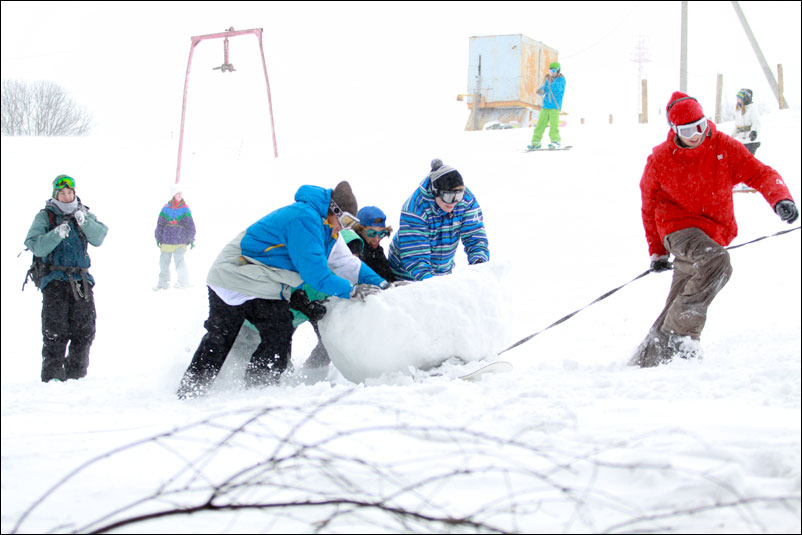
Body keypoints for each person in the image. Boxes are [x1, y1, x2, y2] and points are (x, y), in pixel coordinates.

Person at [176, 181, 391, 399]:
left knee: (278, 332)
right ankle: (191, 390)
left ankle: (258, 390)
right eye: (344, 220)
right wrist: (351, 290)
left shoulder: (327, 231)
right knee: (222, 336)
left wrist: (383, 284)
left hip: (263, 283)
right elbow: (315, 275)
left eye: (350, 223)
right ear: (332, 209)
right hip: (234, 274)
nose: (343, 228)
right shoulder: (305, 218)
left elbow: (349, 264)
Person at [630, 91, 798, 368]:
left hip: (713, 230)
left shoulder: (723, 146)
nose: (696, 135)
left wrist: (781, 198)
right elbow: (648, 208)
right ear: (673, 130)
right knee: (716, 262)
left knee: (683, 293)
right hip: (677, 228)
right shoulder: (660, 159)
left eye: (700, 126)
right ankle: (680, 337)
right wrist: (657, 252)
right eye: (687, 130)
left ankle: (649, 360)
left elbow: (760, 173)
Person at [24, 174, 109, 382]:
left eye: (69, 192)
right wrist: (55, 234)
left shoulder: (83, 213)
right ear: (55, 194)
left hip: (81, 282)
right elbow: (35, 244)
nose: (66, 196)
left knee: (85, 331)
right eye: (61, 193)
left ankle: (76, 377)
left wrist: (85, 222)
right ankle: (52, 377)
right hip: (54, 280)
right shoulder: (45, 216)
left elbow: (99, 237)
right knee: (55, 331)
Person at [389, 159, 489, 281]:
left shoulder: (465, 200)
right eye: (448, 197)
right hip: (407, 275)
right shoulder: (415, 210)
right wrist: (436, 289)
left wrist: (479, 262)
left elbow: (475, 236)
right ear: (435, 191)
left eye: (458, 196)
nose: (454, 202)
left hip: (443, 272)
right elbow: (417, 260)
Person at [154, 185, 196, 290]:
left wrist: (190, 237)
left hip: (179, 239)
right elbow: (160, 223)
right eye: (178, 193)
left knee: (180, 262)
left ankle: (183, 282)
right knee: (164, 262)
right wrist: (158, 237)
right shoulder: (165, 208)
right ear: (173, 195)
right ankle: (163, 283)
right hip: (167, 239)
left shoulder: (185, 208)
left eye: (181, 193)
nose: (180, 195)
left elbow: (190, 224)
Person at [528, 61, 566, 150]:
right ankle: (536, 142)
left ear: (558, 71)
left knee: (553, 125)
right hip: (545, 106)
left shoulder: (561, 80)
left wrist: (551, 82)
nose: (551, 73)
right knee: (540, 125)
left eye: (553, 71)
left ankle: (555, 141)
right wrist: (541, 91)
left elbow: (558, 90)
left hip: (554, 107)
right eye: (550, 71)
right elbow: (545, 88)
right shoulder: (548, 80)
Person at [353, 205, 396, 282]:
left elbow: (389, 278)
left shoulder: (377, 252)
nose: (377, 239)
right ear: (359, 230)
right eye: (372, 233)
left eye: (382, 233)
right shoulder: (354, 248)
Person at [731, 88, 761, 156]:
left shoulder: (752, 108)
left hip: (751, 141)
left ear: (744, 99)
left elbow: (756, 121)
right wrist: (730, 137)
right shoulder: (739, 110)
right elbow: (737, 127)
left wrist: (754, 131)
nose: (737, 100)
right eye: (737, 98)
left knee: (747, 161)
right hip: (743, 141)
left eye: (739, 98)